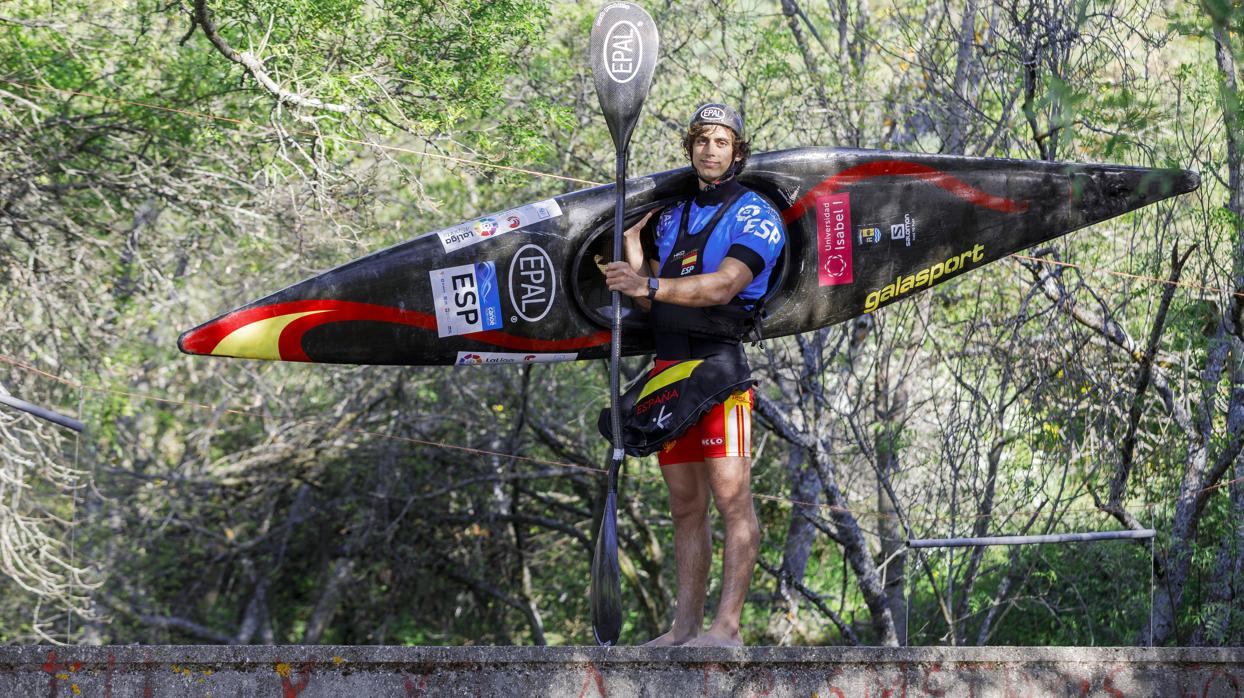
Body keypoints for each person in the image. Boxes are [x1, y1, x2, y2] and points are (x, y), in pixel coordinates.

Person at [604, 103, 785, 647]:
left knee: (733, 500)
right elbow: (653, 301)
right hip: (668, 374)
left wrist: (648, 287)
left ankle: (726, 628)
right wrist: (636, 260)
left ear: (737, 151)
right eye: (702, 140)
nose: (710, 149)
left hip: (719, 371)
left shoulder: (756, 214)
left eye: (722, 141)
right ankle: (684, 629)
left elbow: (722, 286)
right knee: (685, 505)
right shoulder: (671, 218)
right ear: (691, 148)